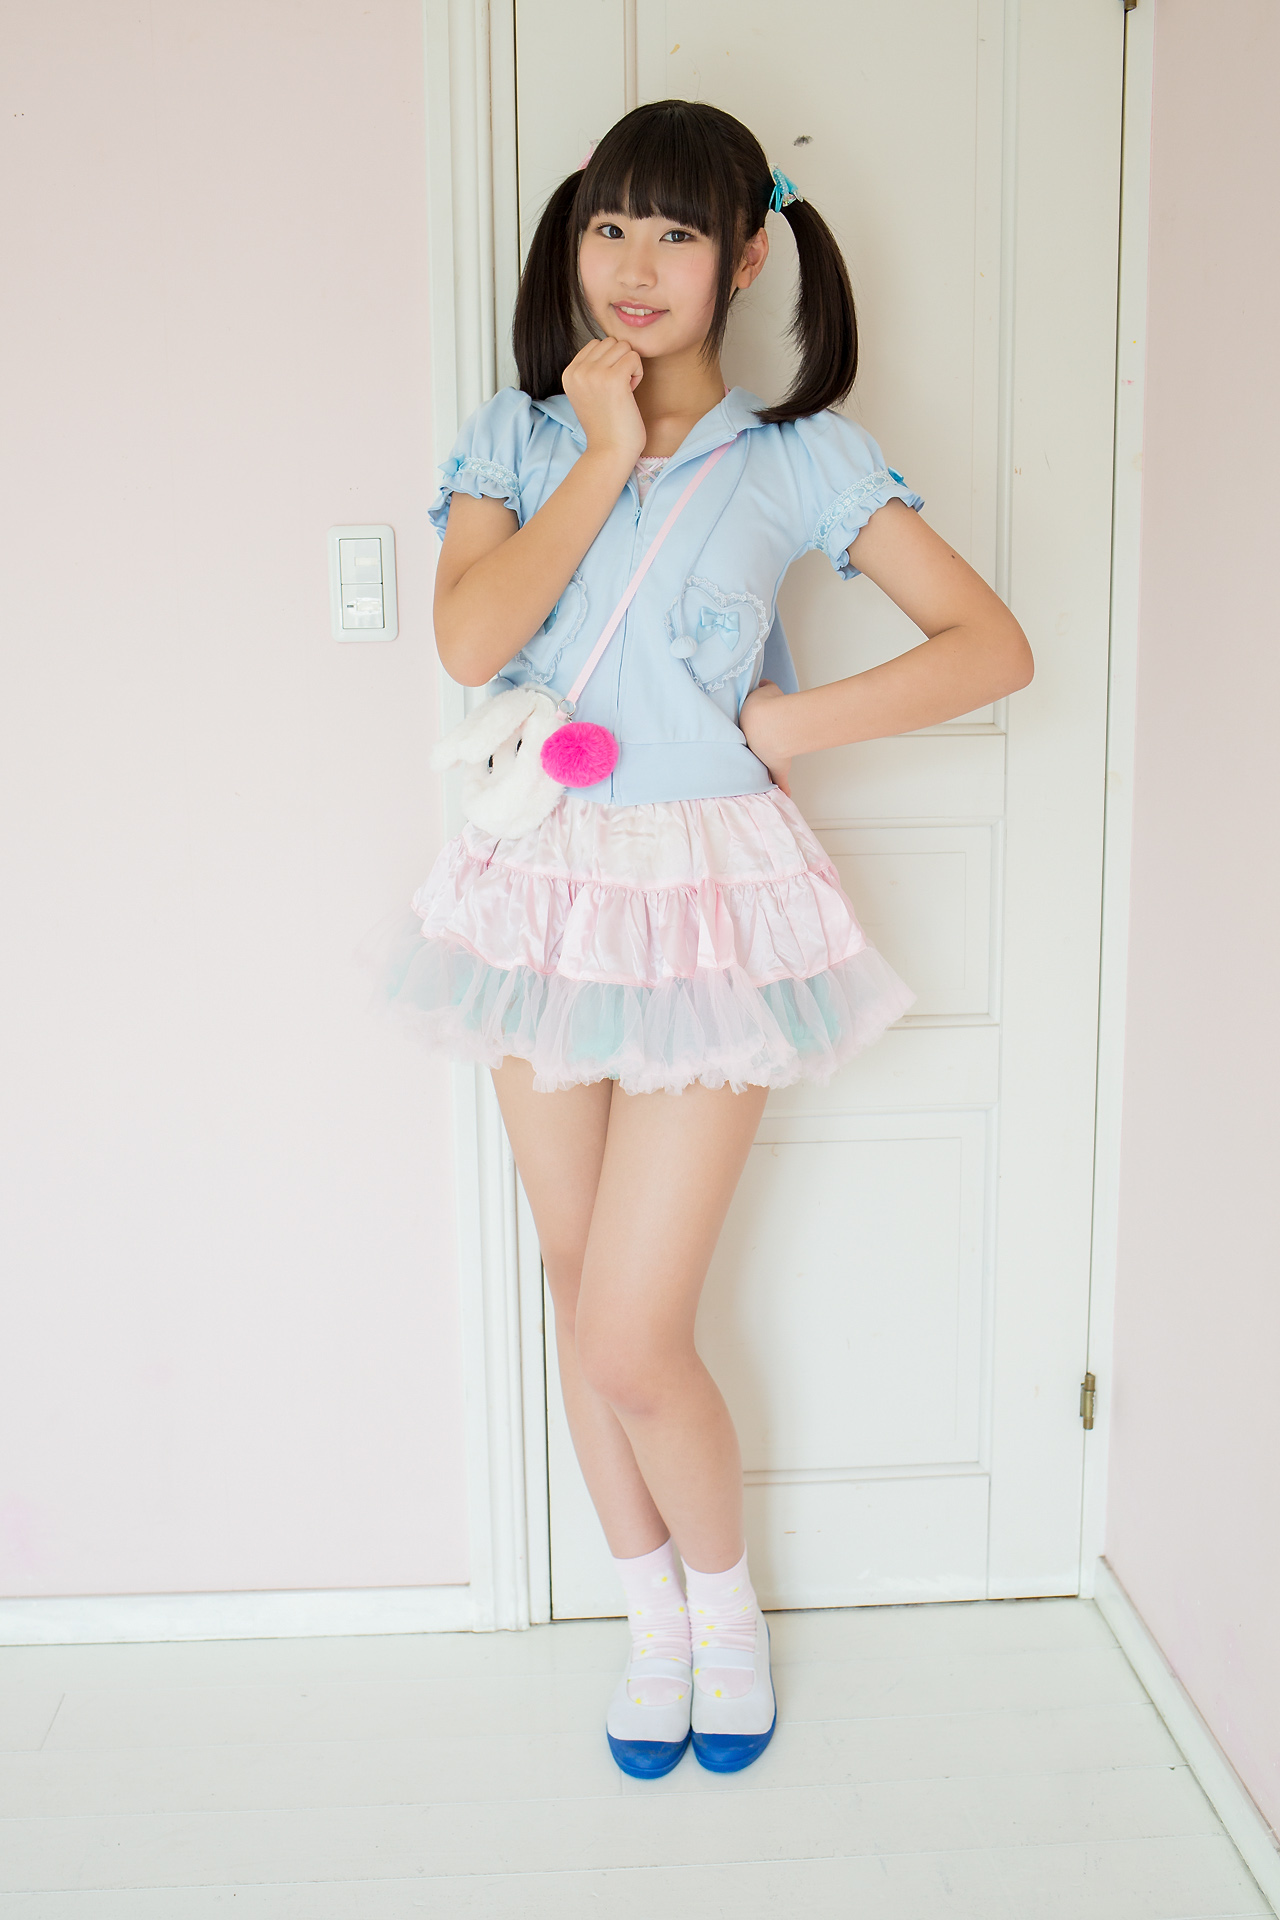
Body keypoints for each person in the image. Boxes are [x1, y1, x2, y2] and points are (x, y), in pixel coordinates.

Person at [386, 99, 1032, 1778]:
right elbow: (470, 642)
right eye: (611, 223)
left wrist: (792, 727)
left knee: (628, 1326)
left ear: (746, 258)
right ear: (574, 237)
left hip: (708, 897)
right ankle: (650, 1618)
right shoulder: (521, 435)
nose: (636, 262)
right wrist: (603, 449)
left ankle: (727, 1614)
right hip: (539, 881)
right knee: (570, 1277)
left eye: (679, 230)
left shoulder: (802, 455)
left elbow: (989, 645)